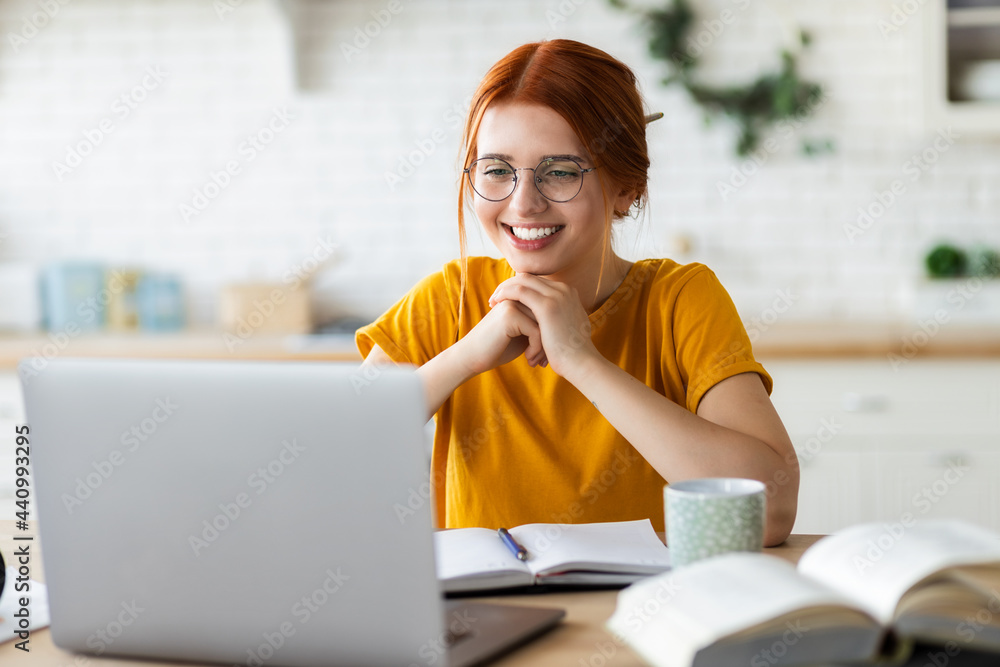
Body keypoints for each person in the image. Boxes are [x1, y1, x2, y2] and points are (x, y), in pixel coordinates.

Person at [356, 38, 798, 545]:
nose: (522, 204)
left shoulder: (680, 301)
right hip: (492, 619)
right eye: (497, 170)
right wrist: (465, 357)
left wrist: (581, 360)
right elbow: (334, 458)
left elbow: (771, 511)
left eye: (561, 172)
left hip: (649, 615)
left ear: (627, 188)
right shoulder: (448, 299)